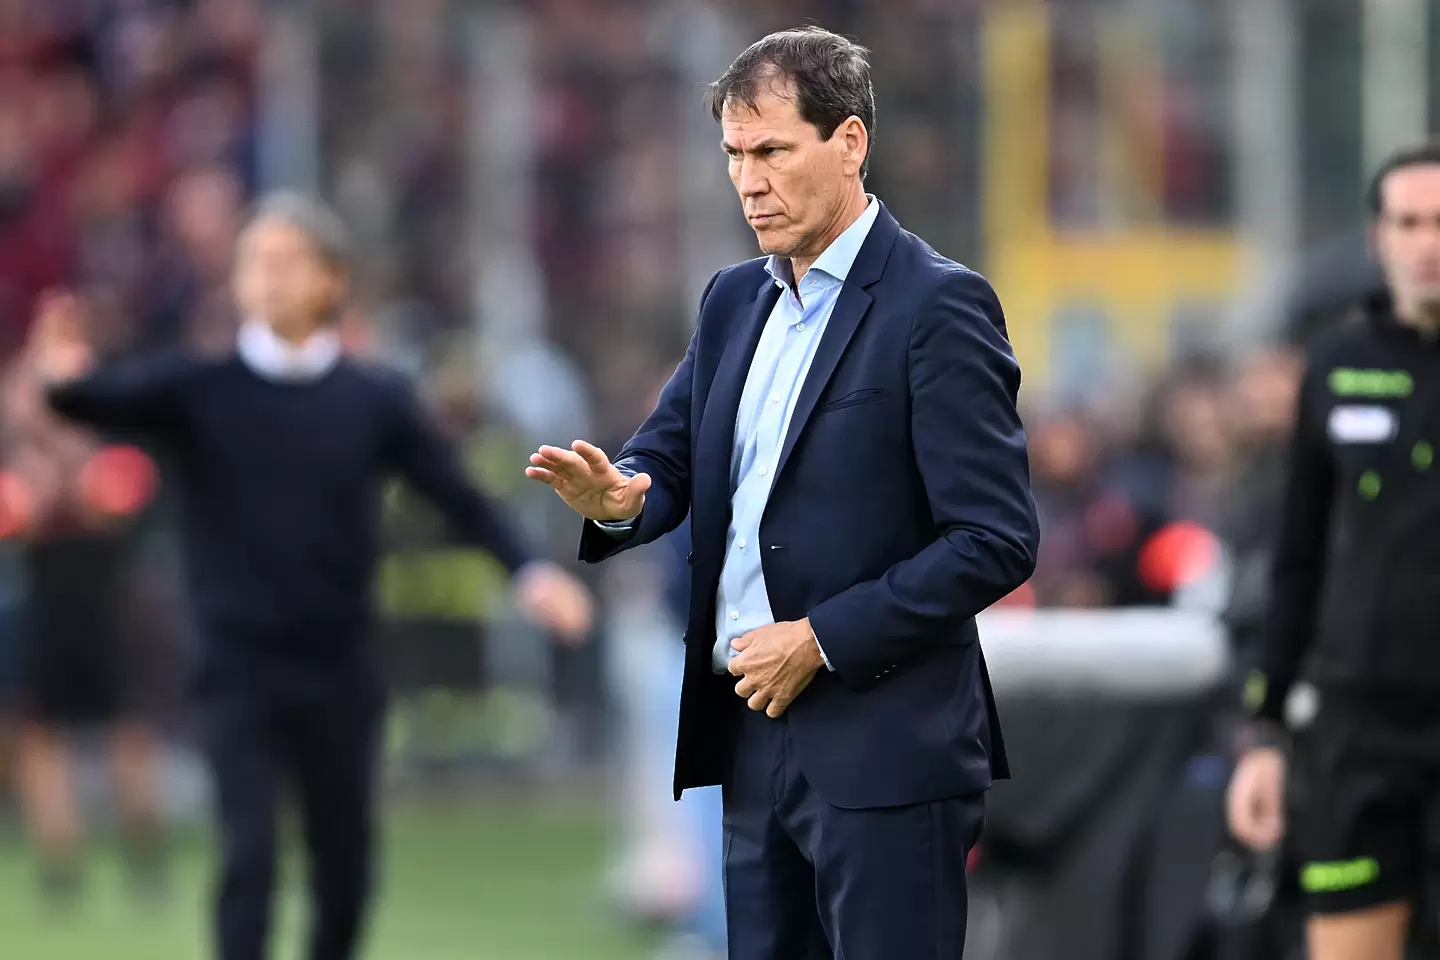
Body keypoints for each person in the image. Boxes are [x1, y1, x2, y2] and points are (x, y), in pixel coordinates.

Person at [527, 26, 1038, 959]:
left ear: (850, 142)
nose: (748, 181)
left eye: (771, 151)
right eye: (734, 154)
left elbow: (994, 539)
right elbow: (669, 455)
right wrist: (623, 499)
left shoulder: (938, 305)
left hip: (888, 749)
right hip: (753, 736)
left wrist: (820, 640)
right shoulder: (734, 299)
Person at [28, 193, 594, 960]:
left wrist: (529, 574)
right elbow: (93, 399)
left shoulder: (370, 399)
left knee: (344, 869)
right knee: (250, 858)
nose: (269, 278)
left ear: (331, 280)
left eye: (288, 262)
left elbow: (457, 496)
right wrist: (60, 372)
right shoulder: (200, 388)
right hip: (237, 666)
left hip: (338, 664)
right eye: (256, 263)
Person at [1227, 140, 1440, 960]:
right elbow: (1297, 560)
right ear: (1379, 236)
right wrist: (1264, 734)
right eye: (1408, 223)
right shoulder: (1337, 364)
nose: (1426, 243)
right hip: (1357, 732)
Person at [0, 304, 169, 902]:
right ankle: (60, 863)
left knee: (127, 727)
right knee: (39, 729)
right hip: (45, 598)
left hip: (105, 599)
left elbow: (124, 497)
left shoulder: (112, 413)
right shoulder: (21, 436)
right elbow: (15, 516)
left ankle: (144, 856)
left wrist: (73, 485)